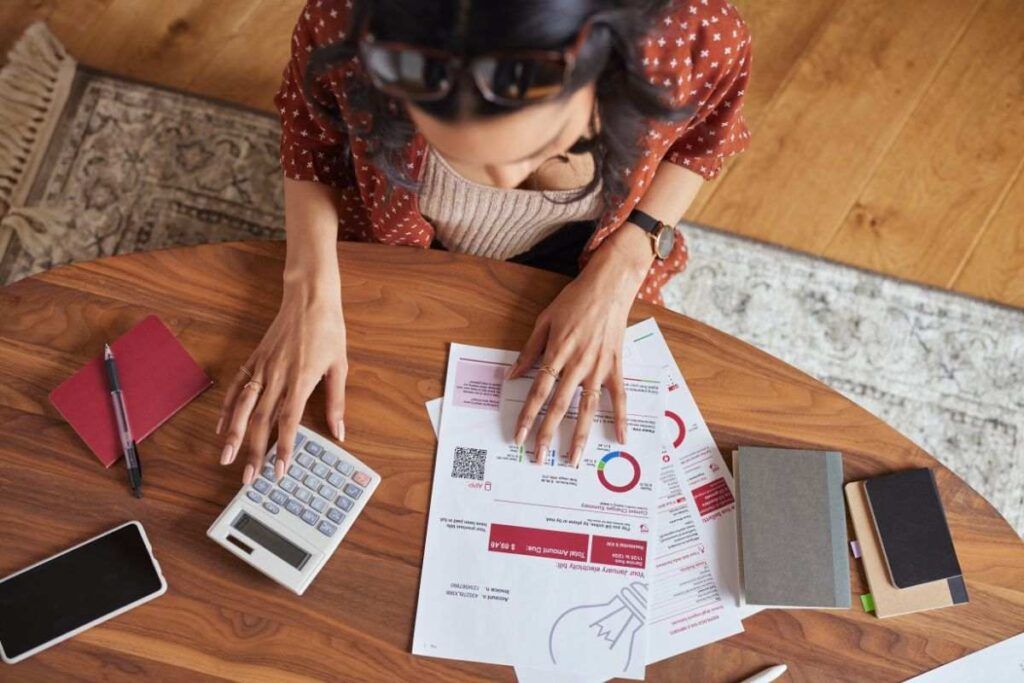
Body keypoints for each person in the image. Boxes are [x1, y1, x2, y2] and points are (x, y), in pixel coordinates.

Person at [217, 0, 751, 483]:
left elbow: (704, 143)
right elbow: (314, 138)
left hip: (603, 248)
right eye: (456, 151)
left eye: (543, 149)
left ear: (605, 68)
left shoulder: (693, 32)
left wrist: (625, 263)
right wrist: (308, 288)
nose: (502, 180)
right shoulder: (348, 22)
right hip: (397, 245)